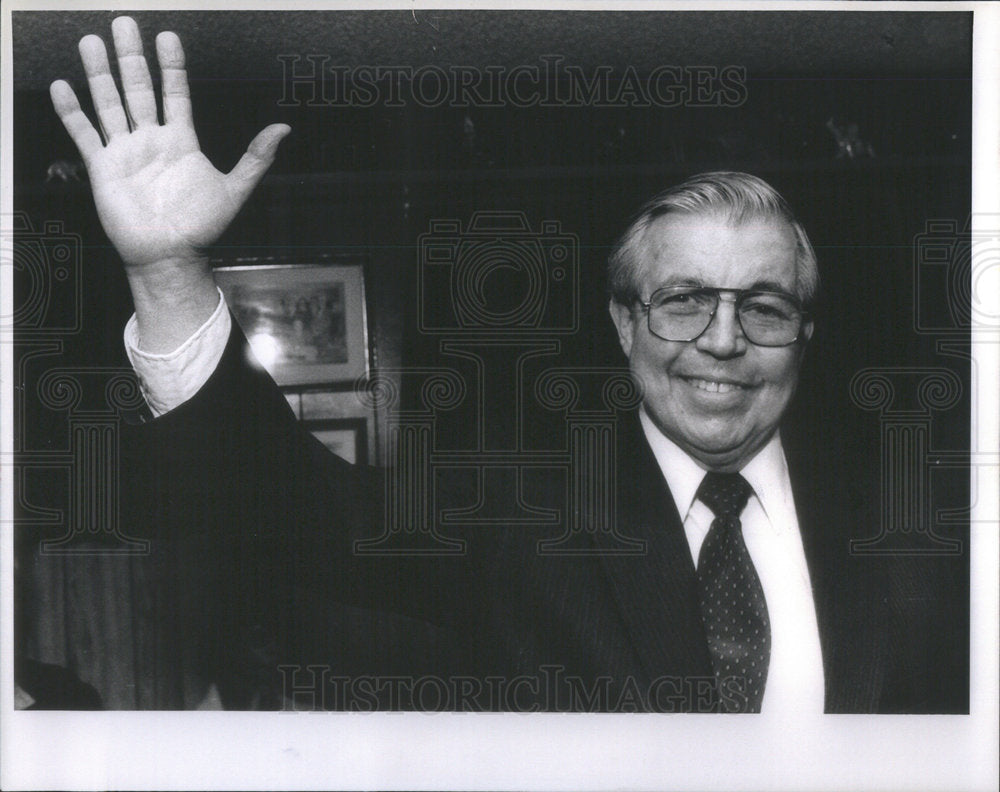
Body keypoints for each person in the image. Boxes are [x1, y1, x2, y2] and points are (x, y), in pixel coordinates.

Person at [50, 17, 965, 713]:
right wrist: (167, 274)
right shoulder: (516, 510)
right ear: (622, 323)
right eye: (683, 300)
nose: (722, 341)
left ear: (805, 330)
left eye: (764, 307)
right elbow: (292, 517)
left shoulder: (917, 520)